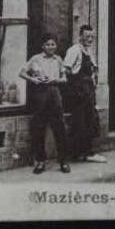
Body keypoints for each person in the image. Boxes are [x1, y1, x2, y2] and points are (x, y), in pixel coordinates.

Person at [19, 33, 70, 174]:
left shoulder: (58, 59)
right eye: (48, 44)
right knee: (39, 128)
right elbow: (22, 73)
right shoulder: (36, 59)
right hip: (40, 94)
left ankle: (63, 161)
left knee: (59, 128)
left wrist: (55, 80)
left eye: (53, 44)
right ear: (43, 46)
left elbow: (64, 78)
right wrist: (34, 80)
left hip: (54, 93)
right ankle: (40, 162)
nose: (51, 47)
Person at [63, 24, 106, 163]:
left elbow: (92, 71)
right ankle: (78, 153)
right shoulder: (74, 50)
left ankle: (86, 152)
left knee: (90, 121)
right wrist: (75, 88)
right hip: (79, 92)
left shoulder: (88, 51)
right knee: (79, 122)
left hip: (88, 91)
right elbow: (66, 69)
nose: (90, 39)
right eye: (87, 36)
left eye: (92, 37)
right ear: (80, 36)